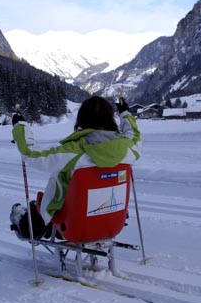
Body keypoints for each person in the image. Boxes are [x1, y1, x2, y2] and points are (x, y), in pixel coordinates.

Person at [9, 96, 141, 239]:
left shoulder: (75, 152)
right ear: (110, 118)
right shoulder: (128, 149)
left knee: (39, 212)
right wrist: (125, 113)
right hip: (111, 224)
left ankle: (25, 223)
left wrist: (20, 126)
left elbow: (32, 155)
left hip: (73, 226)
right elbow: (134, 135)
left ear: (82, 119)